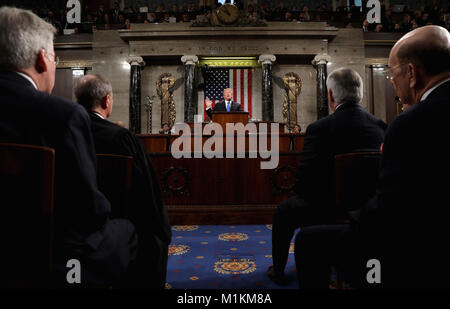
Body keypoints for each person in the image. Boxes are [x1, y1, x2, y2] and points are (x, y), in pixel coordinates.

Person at [295, 25, 450, 289]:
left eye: (393, 73)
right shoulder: (383, 124)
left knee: (309, 241)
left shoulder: (411, 123)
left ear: (412, 73)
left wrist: (353, 217)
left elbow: (389, 212)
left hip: (421, 249)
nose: (392, 82)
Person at [0, 7, 137, 287]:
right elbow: (88, 211)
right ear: (42, 59)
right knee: (128, 231)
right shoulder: (62, 115)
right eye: (55, 57)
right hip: (42, 258)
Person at [267, 68, 386, 285]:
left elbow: (303, 183)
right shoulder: (380, 126)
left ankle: (279, 271)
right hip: (367, 209)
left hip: (324, 206)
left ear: (330, 95)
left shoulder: (320, 128)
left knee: (283, 212)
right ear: (359, 92)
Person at [74, 74, 172, 289]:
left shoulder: (65, 132)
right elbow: (147, 192)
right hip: (121, 225)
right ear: (106, 100)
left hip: (71, 227)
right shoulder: (121, 138)